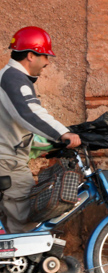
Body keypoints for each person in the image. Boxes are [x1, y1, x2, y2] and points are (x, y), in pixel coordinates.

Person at [0, 27, 81, 234]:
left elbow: (14, 127)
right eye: (45, 55)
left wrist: (45, 145)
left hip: (8, 158)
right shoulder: (14, 79)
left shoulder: (10, 77)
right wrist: (63, 134)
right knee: (26, 225)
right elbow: (30, 114)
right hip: (8, 163)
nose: (47, 62)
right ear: (30, 55)